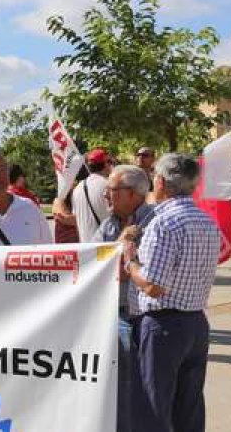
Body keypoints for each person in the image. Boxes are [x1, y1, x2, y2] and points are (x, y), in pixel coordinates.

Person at [122, 153, 220, 432]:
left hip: (163, 325)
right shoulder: (207, 220)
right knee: (189, 407)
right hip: (196, 321)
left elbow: (153, 285)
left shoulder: (163, 223)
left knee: (153, 406)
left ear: (161, 182)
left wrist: (130, 262)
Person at [96, 165, 155, 432]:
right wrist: (120, 243)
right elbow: (95, 266)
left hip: (140, 317)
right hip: (110, 314)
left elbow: (141, 273)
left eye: (112, 190)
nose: (106, 195)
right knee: (116, 386)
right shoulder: (109, 224)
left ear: (132, 194)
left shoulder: (154, 223)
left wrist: (119, 260)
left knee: (138, 387)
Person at [67, 149, 113, 242]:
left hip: (86, 247)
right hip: (106, 247)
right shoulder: (110, 186)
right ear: (106, 164)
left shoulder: (78, 188)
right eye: (110, 162)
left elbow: (76, 218)